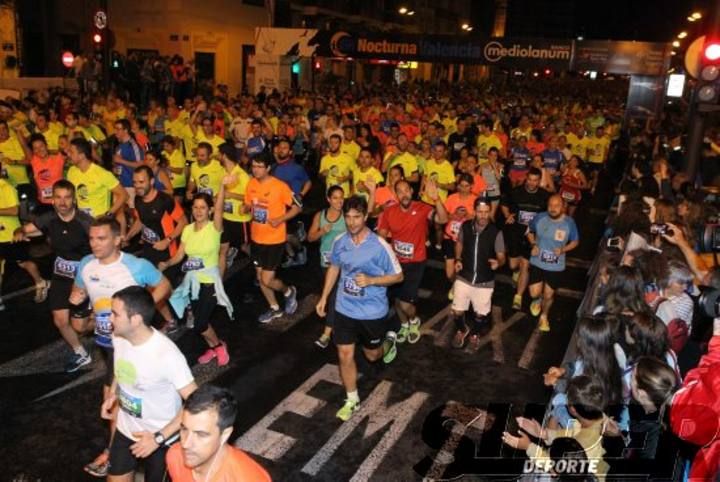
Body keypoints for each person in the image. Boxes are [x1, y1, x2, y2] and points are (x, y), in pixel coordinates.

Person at [71, 217, 172, 477]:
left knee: (118, 402)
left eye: (101, 238)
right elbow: (80, 299)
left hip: (130, 347)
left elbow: (164, 285)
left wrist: (140, 314)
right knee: (119, 403)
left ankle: (123, 453)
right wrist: (80, 309)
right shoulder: (85, 265)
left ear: (117, 239)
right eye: (92, 238)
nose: (95, 244)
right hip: (107, 345)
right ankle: (126, 452)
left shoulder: (136, 266)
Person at [316, 195, 403, 421]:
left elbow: (398, 276)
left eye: (357, 217)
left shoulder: (379, 246)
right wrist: (325, 297)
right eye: (348, 217)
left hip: (372, 312)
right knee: (344, 354)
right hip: (345, 308)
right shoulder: (340, 242)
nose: (352, 222)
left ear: (366, 217)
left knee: (372, 355)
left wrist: (372, 281)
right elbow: (334, 267)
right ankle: (352, 399)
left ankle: (389, 341)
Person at [102, 286, 197, 482]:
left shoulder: (166, 355)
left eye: (115, 314)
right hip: (126, 429)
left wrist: (158, 438)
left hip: (162, 441)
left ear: (135, 320)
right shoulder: (119, 336)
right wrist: (112, 394)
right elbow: (121, 369)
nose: (109, 319)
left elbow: (196, 401)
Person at [15, 180, 93, 371]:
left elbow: (102, 244)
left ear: (74, 200)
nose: (63, 202)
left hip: (83, 277)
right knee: (60, 320)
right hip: (60, 275)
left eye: (67, 197)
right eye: (58, 197)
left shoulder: (85, 222)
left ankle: (106, 323)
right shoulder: (49, 218)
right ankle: (80, 353)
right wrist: (19, 231)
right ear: (52, 200)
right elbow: (28, 229)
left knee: (80, 327)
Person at [160, 181, 234, 366]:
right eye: (195, 207)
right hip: (193, 283)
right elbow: (179, 255)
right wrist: (167, 262)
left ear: (209, 210)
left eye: (203, 208)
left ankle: (218, 346)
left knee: (200, 323)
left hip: (209, 281)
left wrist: (223, 188)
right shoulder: (187, 230)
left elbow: (219, 210)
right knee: (200, 321)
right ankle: (212, 348)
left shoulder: (214, 228)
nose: (199, 211)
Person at [377, 178, 448, 346]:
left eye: (407, 190)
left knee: (405, 302)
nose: (404, 194)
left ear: (412, 191)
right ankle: (404, 324)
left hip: (416, 262)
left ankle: (414, 320)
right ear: (395, 194)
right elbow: (381, 236)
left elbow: (443, 219)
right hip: (395, 263)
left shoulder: (422, 208)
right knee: (395, 299)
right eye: (400, 191)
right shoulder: (389, 211)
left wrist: (436, 199)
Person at [165, 384, 272, 482]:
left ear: (225, 435)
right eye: (184, 429)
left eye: (201, 434)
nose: (185, 444)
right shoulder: (175, 456)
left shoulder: (250, 478)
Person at [245, 155, 301, 323]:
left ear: (268, 168)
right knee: (260, 276)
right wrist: (245, 208)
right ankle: (274, 308)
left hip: (274, 240)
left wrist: (281, 219)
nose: (256, 169)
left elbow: (298, 207)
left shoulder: (280, 186)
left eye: (260, 166)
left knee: (267, 279)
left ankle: (289, 292)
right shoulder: (251, 183)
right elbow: (248, 204)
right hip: (256, 238)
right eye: (254, 166)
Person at [451, 198, 506, 350]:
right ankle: (463, 330)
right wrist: (458, 259)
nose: (483, 215)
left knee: (481, 315)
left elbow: (502, 256)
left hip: (484, 281)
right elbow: (460, 243)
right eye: (480, 212)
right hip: (464, 276)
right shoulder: (466, 226)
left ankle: (475, 334)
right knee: (456, 311)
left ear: (490, 212)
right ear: (474, 212)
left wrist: (498, 263)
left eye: (486, 212)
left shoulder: (496, 232)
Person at [527, 194, 579, 331]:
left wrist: (563, 249)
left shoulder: (569, 223)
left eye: (556, 205)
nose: (553, 208)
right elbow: (529, 231)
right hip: (538, 261)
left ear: (563, 207)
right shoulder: (540, 217)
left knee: (549, 295)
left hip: (555, 266)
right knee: (534, 293)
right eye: (550, 205)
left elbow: (575, 241)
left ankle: (544, 316)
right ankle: (537, 301)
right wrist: (533, 244)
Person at [500, 167, 550, 312]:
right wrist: (507, 214)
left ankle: (518, 296)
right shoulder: (516, 192)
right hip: (515, 232)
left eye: (535, 180)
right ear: (526, 178)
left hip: (533, 235)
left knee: (525, 265)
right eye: (530, 180)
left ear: (539, 181)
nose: (532, 183)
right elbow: (504, 203)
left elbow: (550, 213)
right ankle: (515, 271)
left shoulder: (544, 196)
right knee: (513, 265)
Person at [0, 164, 49, 306]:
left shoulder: (6, 188)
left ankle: (40, 282)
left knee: (23, 262)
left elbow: (15, 210)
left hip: (11, 235)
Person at [308, 185, 347, 349]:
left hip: (344, 263)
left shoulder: (347, 216)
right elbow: (310, 237)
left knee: (333, 297)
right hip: (326, 263)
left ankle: (326, 334)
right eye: (336, 198)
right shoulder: (321, 215)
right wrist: (322, 231)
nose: (339, 201)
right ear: (328, 199)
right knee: (333, 296)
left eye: (341, 197)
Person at [127, 165, 187, 268]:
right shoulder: (138, 199)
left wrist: (167, 241)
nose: (137, 186)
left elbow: (184, 222)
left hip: (167, 253)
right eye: (135, 182)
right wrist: (128, 236)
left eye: (141, 182)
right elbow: (140, 221)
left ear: (151, 181)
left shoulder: (165, 200)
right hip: (148, 250)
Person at [66, 137, 128, 226]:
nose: (68, 154)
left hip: (99, 223)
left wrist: (108, 215)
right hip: (81, 220)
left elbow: (123, 195)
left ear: (82, 155)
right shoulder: (71, 171)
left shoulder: (102, 173)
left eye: (71, 152)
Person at [272, 137, 312, 267]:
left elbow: (308, 182)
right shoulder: (274, 168)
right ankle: (291, 255)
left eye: (285, 148)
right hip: (277, 206)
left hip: (291, 206)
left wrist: (301, 194)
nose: (281, 150)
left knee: (287, 236)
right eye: (280, 148)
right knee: (280, 235)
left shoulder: (296, 168)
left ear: (290, 152)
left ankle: (300, 250)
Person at [218, 143, 251, 275]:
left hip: (240, 219)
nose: (217, 156)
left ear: (224, 155)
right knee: (222, 249)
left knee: (245, 247)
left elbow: (250, 197)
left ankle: (257, 265)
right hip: (226, 217)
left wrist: (231, 195)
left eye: (219, 154)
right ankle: (219, 283)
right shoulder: (223, 172)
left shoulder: (242, 175)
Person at [112, 118, 145, 208]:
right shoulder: (118, 146)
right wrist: (115, 167)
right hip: (119, 184)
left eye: (118, 129)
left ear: (126, 130)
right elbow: (117, 163)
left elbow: (141, 165)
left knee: (133, 212)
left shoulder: (133, 145)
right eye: (115, 129)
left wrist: (121, 161)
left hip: (131, 185)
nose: (115, 132)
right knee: (119, 212)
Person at [28, 133, 65, 211]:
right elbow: (24, 146)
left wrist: (71, 128)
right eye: (35, 148)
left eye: (41, 146)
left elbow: (67, 146)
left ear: (46, 145)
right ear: (33, 151)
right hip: (44, 204)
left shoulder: (57, 159)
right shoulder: (34, 161)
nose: (39, 150)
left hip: (61, 202)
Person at [319, 133, 354, 198]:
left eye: (336, 143)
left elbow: (354, 174)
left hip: (344, 194)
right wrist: (322, 174)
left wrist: (346, 178)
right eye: (331, 142)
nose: (333, 145)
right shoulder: (324, 159)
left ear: (340, 144)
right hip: (330, 194)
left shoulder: (348, 158)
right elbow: (320, 176)